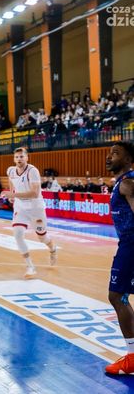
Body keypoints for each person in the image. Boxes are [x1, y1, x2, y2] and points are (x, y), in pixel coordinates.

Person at [1, 148, 58, 279]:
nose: (19, 159)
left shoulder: (32, 171)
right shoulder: (11, 170)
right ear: (14, 159)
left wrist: (13, 194)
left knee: (42, 237)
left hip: (35, 207)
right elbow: (11, 179)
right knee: (18, 235)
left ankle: (53, 248)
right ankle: (30, 266)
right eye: (17, 157)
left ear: (27, 158)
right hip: (20, 207)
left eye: (21, 157)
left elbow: (34, 193)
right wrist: (12, 193)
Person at [103, 141, 134, 375]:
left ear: (128, 160)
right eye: (109, 152)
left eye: (116, 153)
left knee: (117, 295)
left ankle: (132, 358)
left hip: (131, 244)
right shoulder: (122, 182)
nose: (109, 156)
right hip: (127, 243)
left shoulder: (127, 184)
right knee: (119, 296)